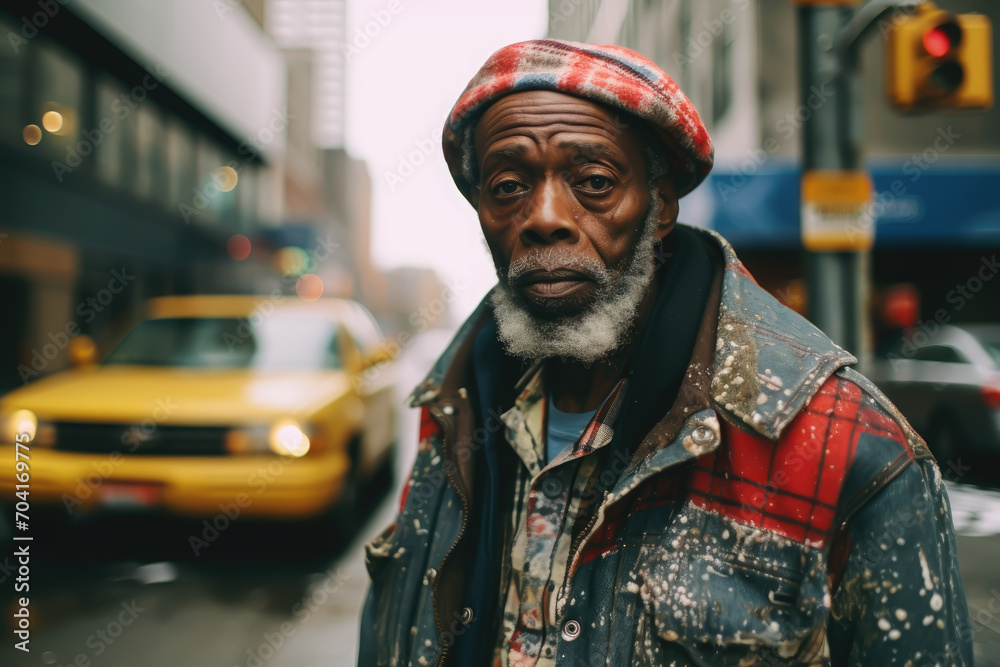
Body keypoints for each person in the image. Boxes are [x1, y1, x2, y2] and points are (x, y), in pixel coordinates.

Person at [358, 39, 972, 666]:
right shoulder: (454, 406)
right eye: (508, 184)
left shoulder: (847, 444)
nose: (543, 217)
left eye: (593, 182)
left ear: (660, 207)